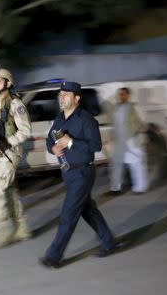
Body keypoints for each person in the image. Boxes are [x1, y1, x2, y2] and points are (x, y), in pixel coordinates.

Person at [39, 81, 123, 269]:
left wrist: (71, 143)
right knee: (88, 210)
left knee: (68, 215)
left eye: (66, 94)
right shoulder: (59, 119)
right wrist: (52, 148)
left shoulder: (87, 120)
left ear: (76, 98)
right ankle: (109, 242)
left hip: (83, 172)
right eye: (60, 94)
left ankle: (54, 256)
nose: (61, 97)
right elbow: (49, 140)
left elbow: (96, 146)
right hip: (68, 173)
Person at [0, 68, 32, 249]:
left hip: (9, 154)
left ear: (8, 83)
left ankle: (0, 230)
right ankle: (22, 228)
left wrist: (8, 142)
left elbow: (25, 130)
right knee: (9, 192)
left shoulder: (15, 103)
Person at [108, 87, 149, 194]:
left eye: (122, 94)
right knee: (117, 164)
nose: (120, 96)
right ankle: (115, 188)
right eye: (119, 94)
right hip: (120, 141)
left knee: (136, 164)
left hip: (132, 140)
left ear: (128, 95)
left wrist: (134, 133)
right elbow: (115, 124)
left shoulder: (134, 107)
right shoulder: (116, 108)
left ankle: (140, 188)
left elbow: (142, 122)